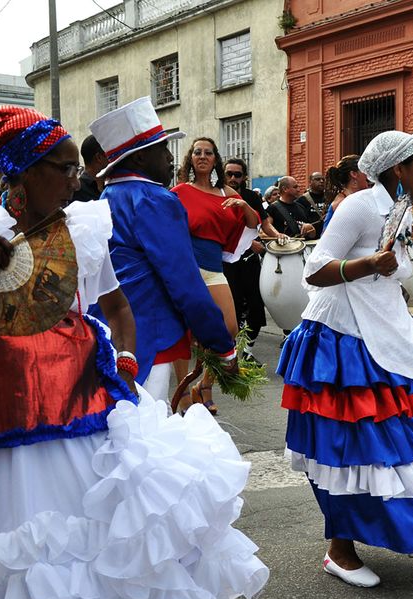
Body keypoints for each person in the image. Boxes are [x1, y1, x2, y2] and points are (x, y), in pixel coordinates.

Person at [0, 104, 268, 599]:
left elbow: (117, 306)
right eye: (65, 167)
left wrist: (127, 360)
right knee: (11, 528)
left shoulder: (86, 226)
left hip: (78, 392)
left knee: (91, 521)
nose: (78, 178)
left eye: (79, 167)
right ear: (25, 171)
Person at [277, 130, 413, 588]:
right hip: (344, 338)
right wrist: (370, 264)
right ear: (398, 170)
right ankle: (340, 550)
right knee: (354, 447)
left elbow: (401, 266)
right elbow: (315, 269)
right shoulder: (356, 206)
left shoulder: (397, 208)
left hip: (388, 329)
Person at [89, 97, 236, 403]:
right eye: (162, 149)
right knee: (142, 429)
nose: (171, 159)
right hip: (147, 333)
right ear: (140, 159)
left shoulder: (108, 195)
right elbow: (183, 280)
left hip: (108, 332)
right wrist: (222, 345)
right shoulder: (155, 199)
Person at [172, 138, 260, 413]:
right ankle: (183, 389)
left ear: (215, 160)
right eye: (197, 152)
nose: (202, 156)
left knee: (229, 329)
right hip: (186, 267)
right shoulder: (179, 192)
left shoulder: (226, 193)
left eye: (208, 153)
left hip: (214, 268)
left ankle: (205, 385)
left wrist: (244, 207)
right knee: (184, 332)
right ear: (190, 158)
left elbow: (253, 223)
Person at [223, 157, 283, 365]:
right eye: (228, 174)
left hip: (249, 262)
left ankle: (247, 351)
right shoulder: (216, 195)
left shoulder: (251, 197)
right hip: (225, 263)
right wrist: (249, 244)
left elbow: (265, 224)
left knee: (257, 307)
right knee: (233, 310)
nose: (232, 178)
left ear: (244, 177)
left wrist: (279, 236)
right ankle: (229, 356)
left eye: (237, 174)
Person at [321, 154, 368, 232]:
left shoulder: (353, 199)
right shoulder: (342, 203)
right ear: (354, 174)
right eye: (364, 169)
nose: (368, 173)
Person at [72, 134, 108, 202]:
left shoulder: (110, 186)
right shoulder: (76, 190)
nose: (114, 159)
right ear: (99, 158)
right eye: (110, 155)